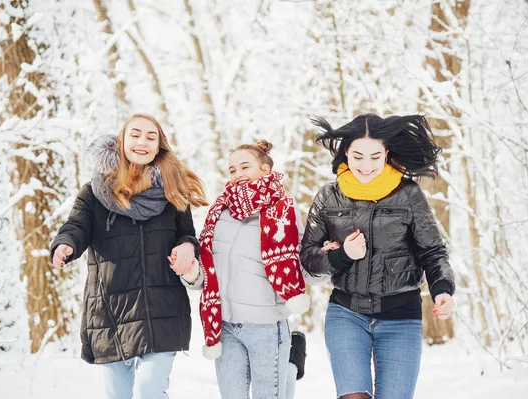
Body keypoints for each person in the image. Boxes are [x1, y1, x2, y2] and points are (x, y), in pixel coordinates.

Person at [50, 113, 208, 399]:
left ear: (160, 145)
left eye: (151, 137)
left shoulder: (173, 191)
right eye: (135, 135)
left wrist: (187, 247)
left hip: (160, 307)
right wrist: (66, 244)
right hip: (111, 307)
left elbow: (187, 234)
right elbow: (76, 226)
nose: (142, 142)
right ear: (121, 141)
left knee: (150, 391)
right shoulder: (95, 192)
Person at [300, 114, 456, 399]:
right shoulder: (328, 197)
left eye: (375, 157)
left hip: (401, 317)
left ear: (386, 154)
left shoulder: (408, 194)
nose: (366, 166)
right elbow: (308, 263)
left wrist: (442, 289)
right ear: (346, 151)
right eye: (358, 156)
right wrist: (342, 256)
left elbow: (432, 250)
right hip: (346, 313)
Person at [176, 140, 312, 399]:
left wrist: (329, 257)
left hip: (266, 327)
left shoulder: (283, 212)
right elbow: (207, 276)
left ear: (264, 168)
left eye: (245, 167)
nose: (237, 174)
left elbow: (300, 266)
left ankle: (290, 367)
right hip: (225, 326)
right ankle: (290, 369)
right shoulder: (218, 213)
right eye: (232, 169)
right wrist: (191, 272)